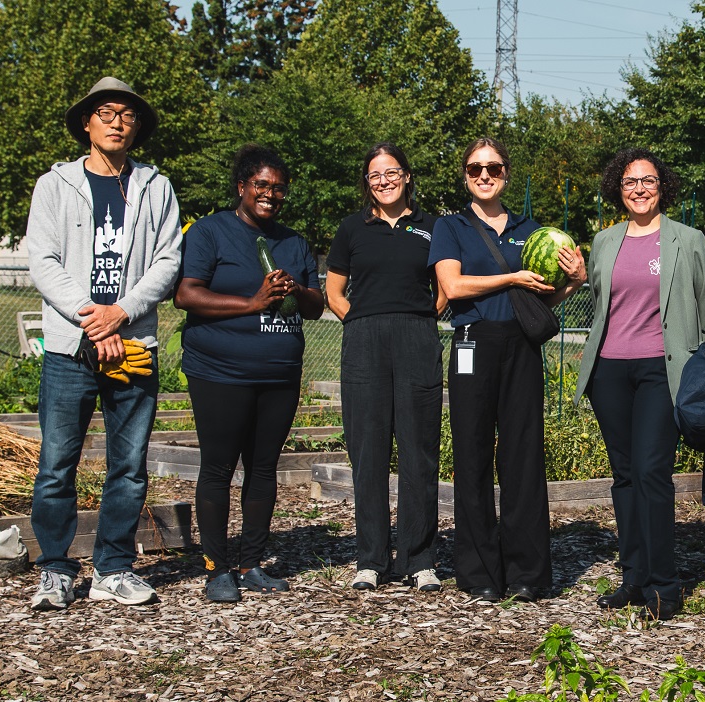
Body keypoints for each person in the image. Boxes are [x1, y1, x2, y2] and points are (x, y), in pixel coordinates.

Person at [27, 77, 182, 610]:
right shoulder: (55, 185)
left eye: (127, 114)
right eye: (107, 112)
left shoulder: (155, 187)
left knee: (129, 464)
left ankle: (113, 568)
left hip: (134, 342)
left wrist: (122, 313)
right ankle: (54, 568)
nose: (118, 121)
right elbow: (43, 261)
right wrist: (93, 318)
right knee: (56, 464)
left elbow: (168, 260)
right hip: (72, 347)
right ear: (87, 124)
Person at [429, 137, 586, 603]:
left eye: (493, 168)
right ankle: (479, 574)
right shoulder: (451, 226)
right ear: (465, 176)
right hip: (473, 343)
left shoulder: (530, 229)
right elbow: (453, 287)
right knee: (472, 457)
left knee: (522, 457)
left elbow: (541, 299)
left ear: (505, 174)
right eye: (475, 169)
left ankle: (527, 574)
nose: (484, 175)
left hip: (520, 345)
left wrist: (573, 283)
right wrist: (512, 276)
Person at [573, 148, 705, 621]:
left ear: (663, 187)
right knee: (625, 476)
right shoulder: (604, 241)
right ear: (618, 189)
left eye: (648, 181)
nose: (639, 188)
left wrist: (702, 370)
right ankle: (633, 579)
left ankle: (665, 586)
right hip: (610, 371)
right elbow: (601, 302)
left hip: (662, 370)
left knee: (653, 472)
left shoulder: (687, 239)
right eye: (630, 182)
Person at [174, 144, 325, 602]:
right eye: (262, 185)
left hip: (278, 373)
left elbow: (316, 308)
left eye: (279, 189)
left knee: (264, 468)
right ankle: (218, 567)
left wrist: (296, 288)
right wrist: (252, 303)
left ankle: (252, 562)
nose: (270, 195)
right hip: (220, 371)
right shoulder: (210, 232)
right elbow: (186, 294)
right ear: (242, 187)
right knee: (219, 467)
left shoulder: (293, 242)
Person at [325, 143, 446, 593]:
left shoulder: (434, 228)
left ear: (407, 176)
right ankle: (371, 559)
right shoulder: (351, 229)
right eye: (375, 175)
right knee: (368, 452)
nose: (384, 181)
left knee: (419, 450)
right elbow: (334, 293)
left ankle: (420, 559)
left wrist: (420, 316)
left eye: (391, 172)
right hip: (364, 342)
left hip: (417, 338)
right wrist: (360, 320)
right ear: (367, 182)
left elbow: (445, 286)